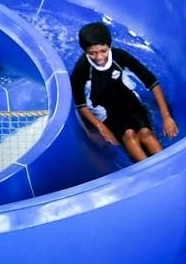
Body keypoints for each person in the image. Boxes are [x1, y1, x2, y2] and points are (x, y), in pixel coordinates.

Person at [71, 21, 177, 162]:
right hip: (106, 112)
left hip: (130, 103)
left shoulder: (120, 57)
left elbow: (153, 83)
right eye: (92, 53)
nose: (99, 58)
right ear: (85, 51)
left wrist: (166, 117)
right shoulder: (81, 70)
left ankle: (168, 165)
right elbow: (81, 105)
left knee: (145, 133)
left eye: (103, 51)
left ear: (110, 46)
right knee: (129, 135)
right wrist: (101, 128)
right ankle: (147, 171)